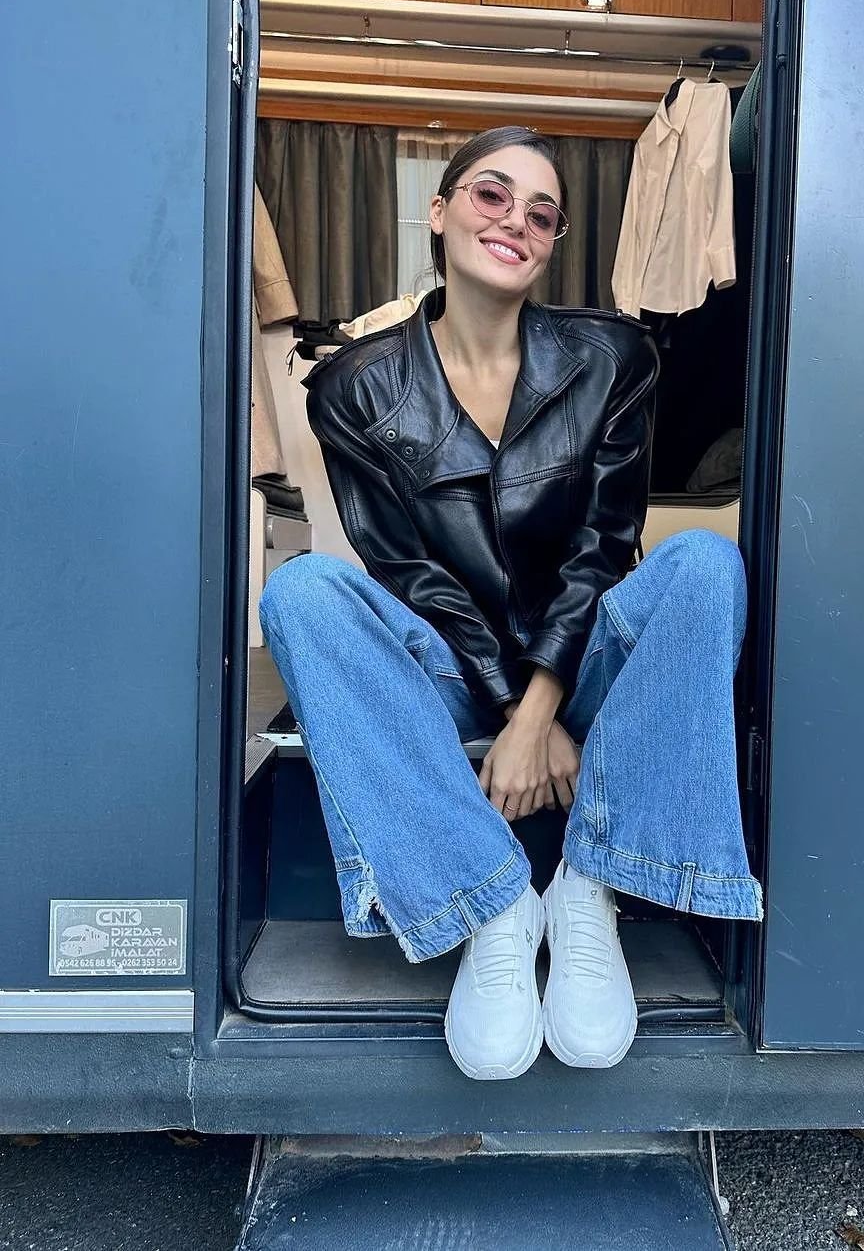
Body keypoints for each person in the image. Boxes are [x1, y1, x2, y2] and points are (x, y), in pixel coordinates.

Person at [259, 125, 762, 1082]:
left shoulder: (612, 357)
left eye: (541, 212)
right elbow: (409, 574)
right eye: (491, 195)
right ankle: (490, 902)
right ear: (439, 211)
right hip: (450, 668)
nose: (514, 222)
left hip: (583, 661)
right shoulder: (355, 386)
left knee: (704, 563)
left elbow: (603, 546)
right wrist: (512, 713)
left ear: (552, 242)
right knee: (303, 592)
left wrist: (542, 712)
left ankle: (591, 887)